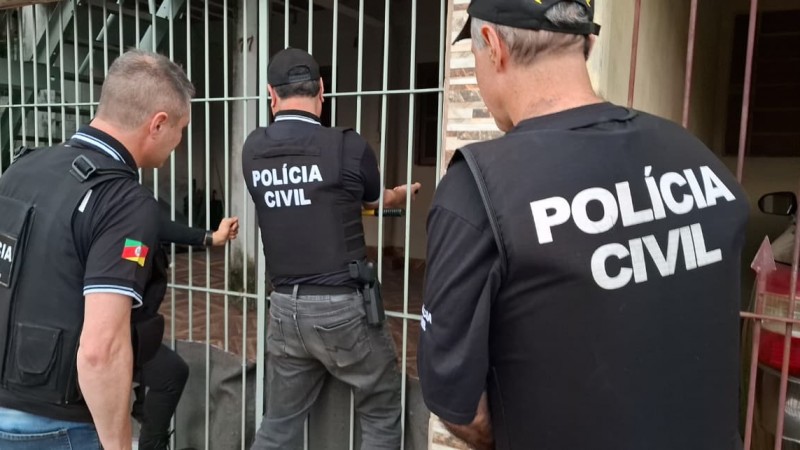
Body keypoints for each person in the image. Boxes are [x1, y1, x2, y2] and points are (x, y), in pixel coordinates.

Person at [417, 1, 749, 449]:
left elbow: (460, 406)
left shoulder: (478, 189)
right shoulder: (697, 159)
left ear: (493, 46)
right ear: (587, 41)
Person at [0, 49, 193, 450]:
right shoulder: (125, 203)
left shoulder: (19, 169)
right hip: (55, 426)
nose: (179, 141)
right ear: (158, 123)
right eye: (181, 128)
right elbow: (100, 351)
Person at [242, 47, 421, 450]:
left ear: (271, 94)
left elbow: (300, 198)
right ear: (321, 89)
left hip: (284, 309)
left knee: (278, 425)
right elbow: (373, 199)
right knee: (380, 410)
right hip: (342, 309)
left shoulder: (253, 149)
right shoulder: (347, 146)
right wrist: (399, 195)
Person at [132, 215, 239, 450]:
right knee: (170, 372)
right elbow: (126, 262)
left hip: (126, 329)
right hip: (108, 332)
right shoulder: (124, 232)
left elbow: (154, 223)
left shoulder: (133, 215)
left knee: (168, 372)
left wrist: (211, 237)